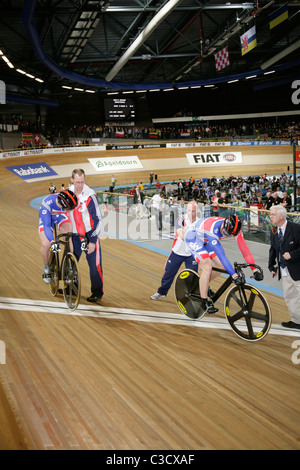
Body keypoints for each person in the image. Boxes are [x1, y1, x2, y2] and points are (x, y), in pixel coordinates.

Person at [183, 214, 263, 314]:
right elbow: (222, 255)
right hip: (194, 238)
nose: (225, 235)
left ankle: (203, 284)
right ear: (224, 224)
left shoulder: (236, 230)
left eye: (229, 234)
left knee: (222, 267)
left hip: (206, 239)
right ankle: (204, 302)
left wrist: (254, 269)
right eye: (225, 232)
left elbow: (245, 250)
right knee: (207, 266)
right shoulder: (213, 230)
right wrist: (234, 276)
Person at [67, 169, 104, 303]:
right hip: (74, 233)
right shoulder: (67, 192)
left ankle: (97, 292)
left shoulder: (90, 195)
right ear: (72, 180)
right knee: (70, 263)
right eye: (77, 182)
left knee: (95, 266)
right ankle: (70, 287)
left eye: (82, 182)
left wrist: (93, 241)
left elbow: (98, 220)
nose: (80, 185)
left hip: (89, 234)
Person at [150, 201, 198, 300]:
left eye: (193, 211)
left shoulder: (200, 222)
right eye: (189, 210)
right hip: (177, 252)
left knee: (193, 277)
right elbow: (181, 235)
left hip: (192, 253)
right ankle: (162, 292)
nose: (191, 213)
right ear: (186, 210)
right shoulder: (180, 219)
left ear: (196, 211)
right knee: (168, 273)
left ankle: (194, 296)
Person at [268, 205, 300, 329]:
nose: (270, 216)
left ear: (281, 216)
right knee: (290, 296)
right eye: (270, 214)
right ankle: (297, 321)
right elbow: (273, 249)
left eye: (273, 214)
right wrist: (272, 265)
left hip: (297, 268)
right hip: (284, 269)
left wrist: (292, 254)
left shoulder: (296, 229)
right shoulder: (274, 230)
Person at [39, 189, 80, 283]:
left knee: (68, 237)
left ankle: (70, 265)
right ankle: (46, 267)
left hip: (61, 215)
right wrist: (52, 242)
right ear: (62, 205)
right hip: (48, 217)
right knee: (46, 244)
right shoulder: (47, 204)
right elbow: (46, 226)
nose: (70, 210)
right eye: (69, 209)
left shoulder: (68, 200)